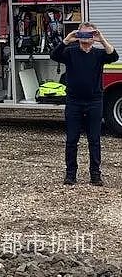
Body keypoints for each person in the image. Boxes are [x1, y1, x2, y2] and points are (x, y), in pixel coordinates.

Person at [50, 22, 118, 186]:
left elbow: (114, 56)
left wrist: (101, 38)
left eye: (89, 34)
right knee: (72, 140)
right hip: (74, 102)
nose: (85, 37)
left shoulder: (99, 54)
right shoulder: (70, 52)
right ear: (77, 36)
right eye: (82, 34)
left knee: (94, 140)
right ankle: (70, 174)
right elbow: (54, 55)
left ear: (93, 37)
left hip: (94, 101)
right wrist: (67, 39)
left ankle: (95, 175)